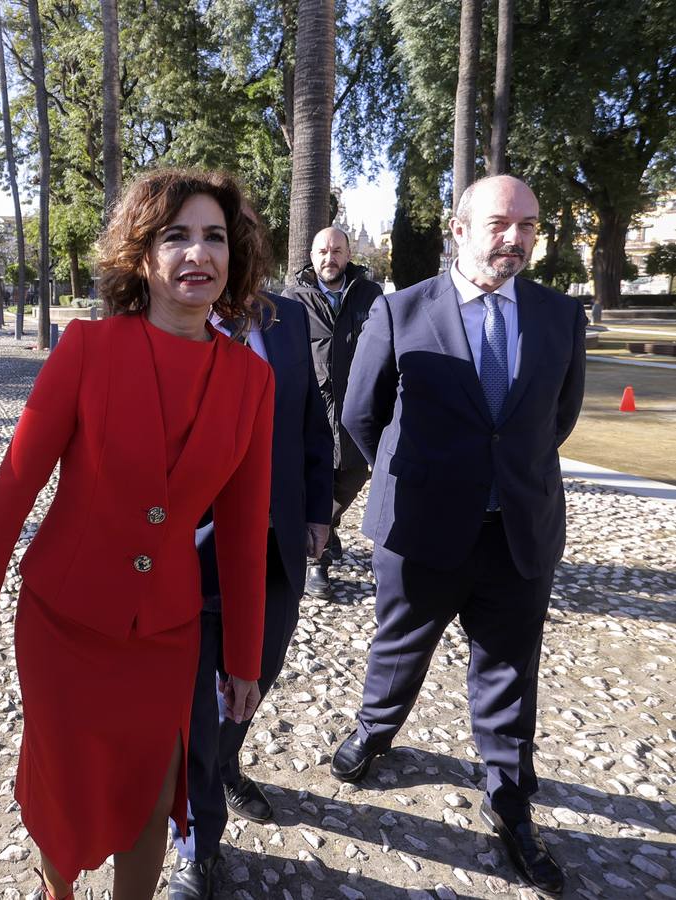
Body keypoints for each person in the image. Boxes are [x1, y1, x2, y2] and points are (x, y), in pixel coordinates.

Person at [0, 168, 275, 900]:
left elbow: (243, 531)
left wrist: (245, 659)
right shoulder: (86, 350)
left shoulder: (252, 382)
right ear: (142, 256)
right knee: (63, 782)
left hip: (165, 630)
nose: (199, 253)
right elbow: (15, 483)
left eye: (215, 238)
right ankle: (56, 888)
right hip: (62, 622)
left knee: (152, 787)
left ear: (235, 257)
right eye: (176, 236)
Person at [331, 175, 585, 896]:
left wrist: (501, 476)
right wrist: (428, 476)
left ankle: (510, 807)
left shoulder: (559, 317)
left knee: (510, 676)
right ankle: (372, 734)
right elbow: (361, 418)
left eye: (528, 225)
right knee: (398, 645)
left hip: (518, 534)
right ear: (459, 227)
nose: (516, 238)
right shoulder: (399, 310)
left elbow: (551, 422)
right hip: (419, 529)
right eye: (501, 222)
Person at [167, 289, 333, 900]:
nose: (217, 250)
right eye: (205, 233)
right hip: (197, 555)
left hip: (276, 547)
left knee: (251, 680)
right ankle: (198, 845)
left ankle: (224, 762)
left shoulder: (284, 318)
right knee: (195, 713)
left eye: (229, 234)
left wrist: (320, 509)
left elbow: (314, 421)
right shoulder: (166, 315)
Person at [280, 226, 383, 599]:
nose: (330, 258)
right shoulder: (293, 301)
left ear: (348, 252)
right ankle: (315, 563)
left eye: (337, 250)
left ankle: (327, 528)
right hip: (313, 411)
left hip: (359, 411)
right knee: (315, 482)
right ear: (312, 255)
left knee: (352, 479)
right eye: (323, 251)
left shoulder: (370, 296)